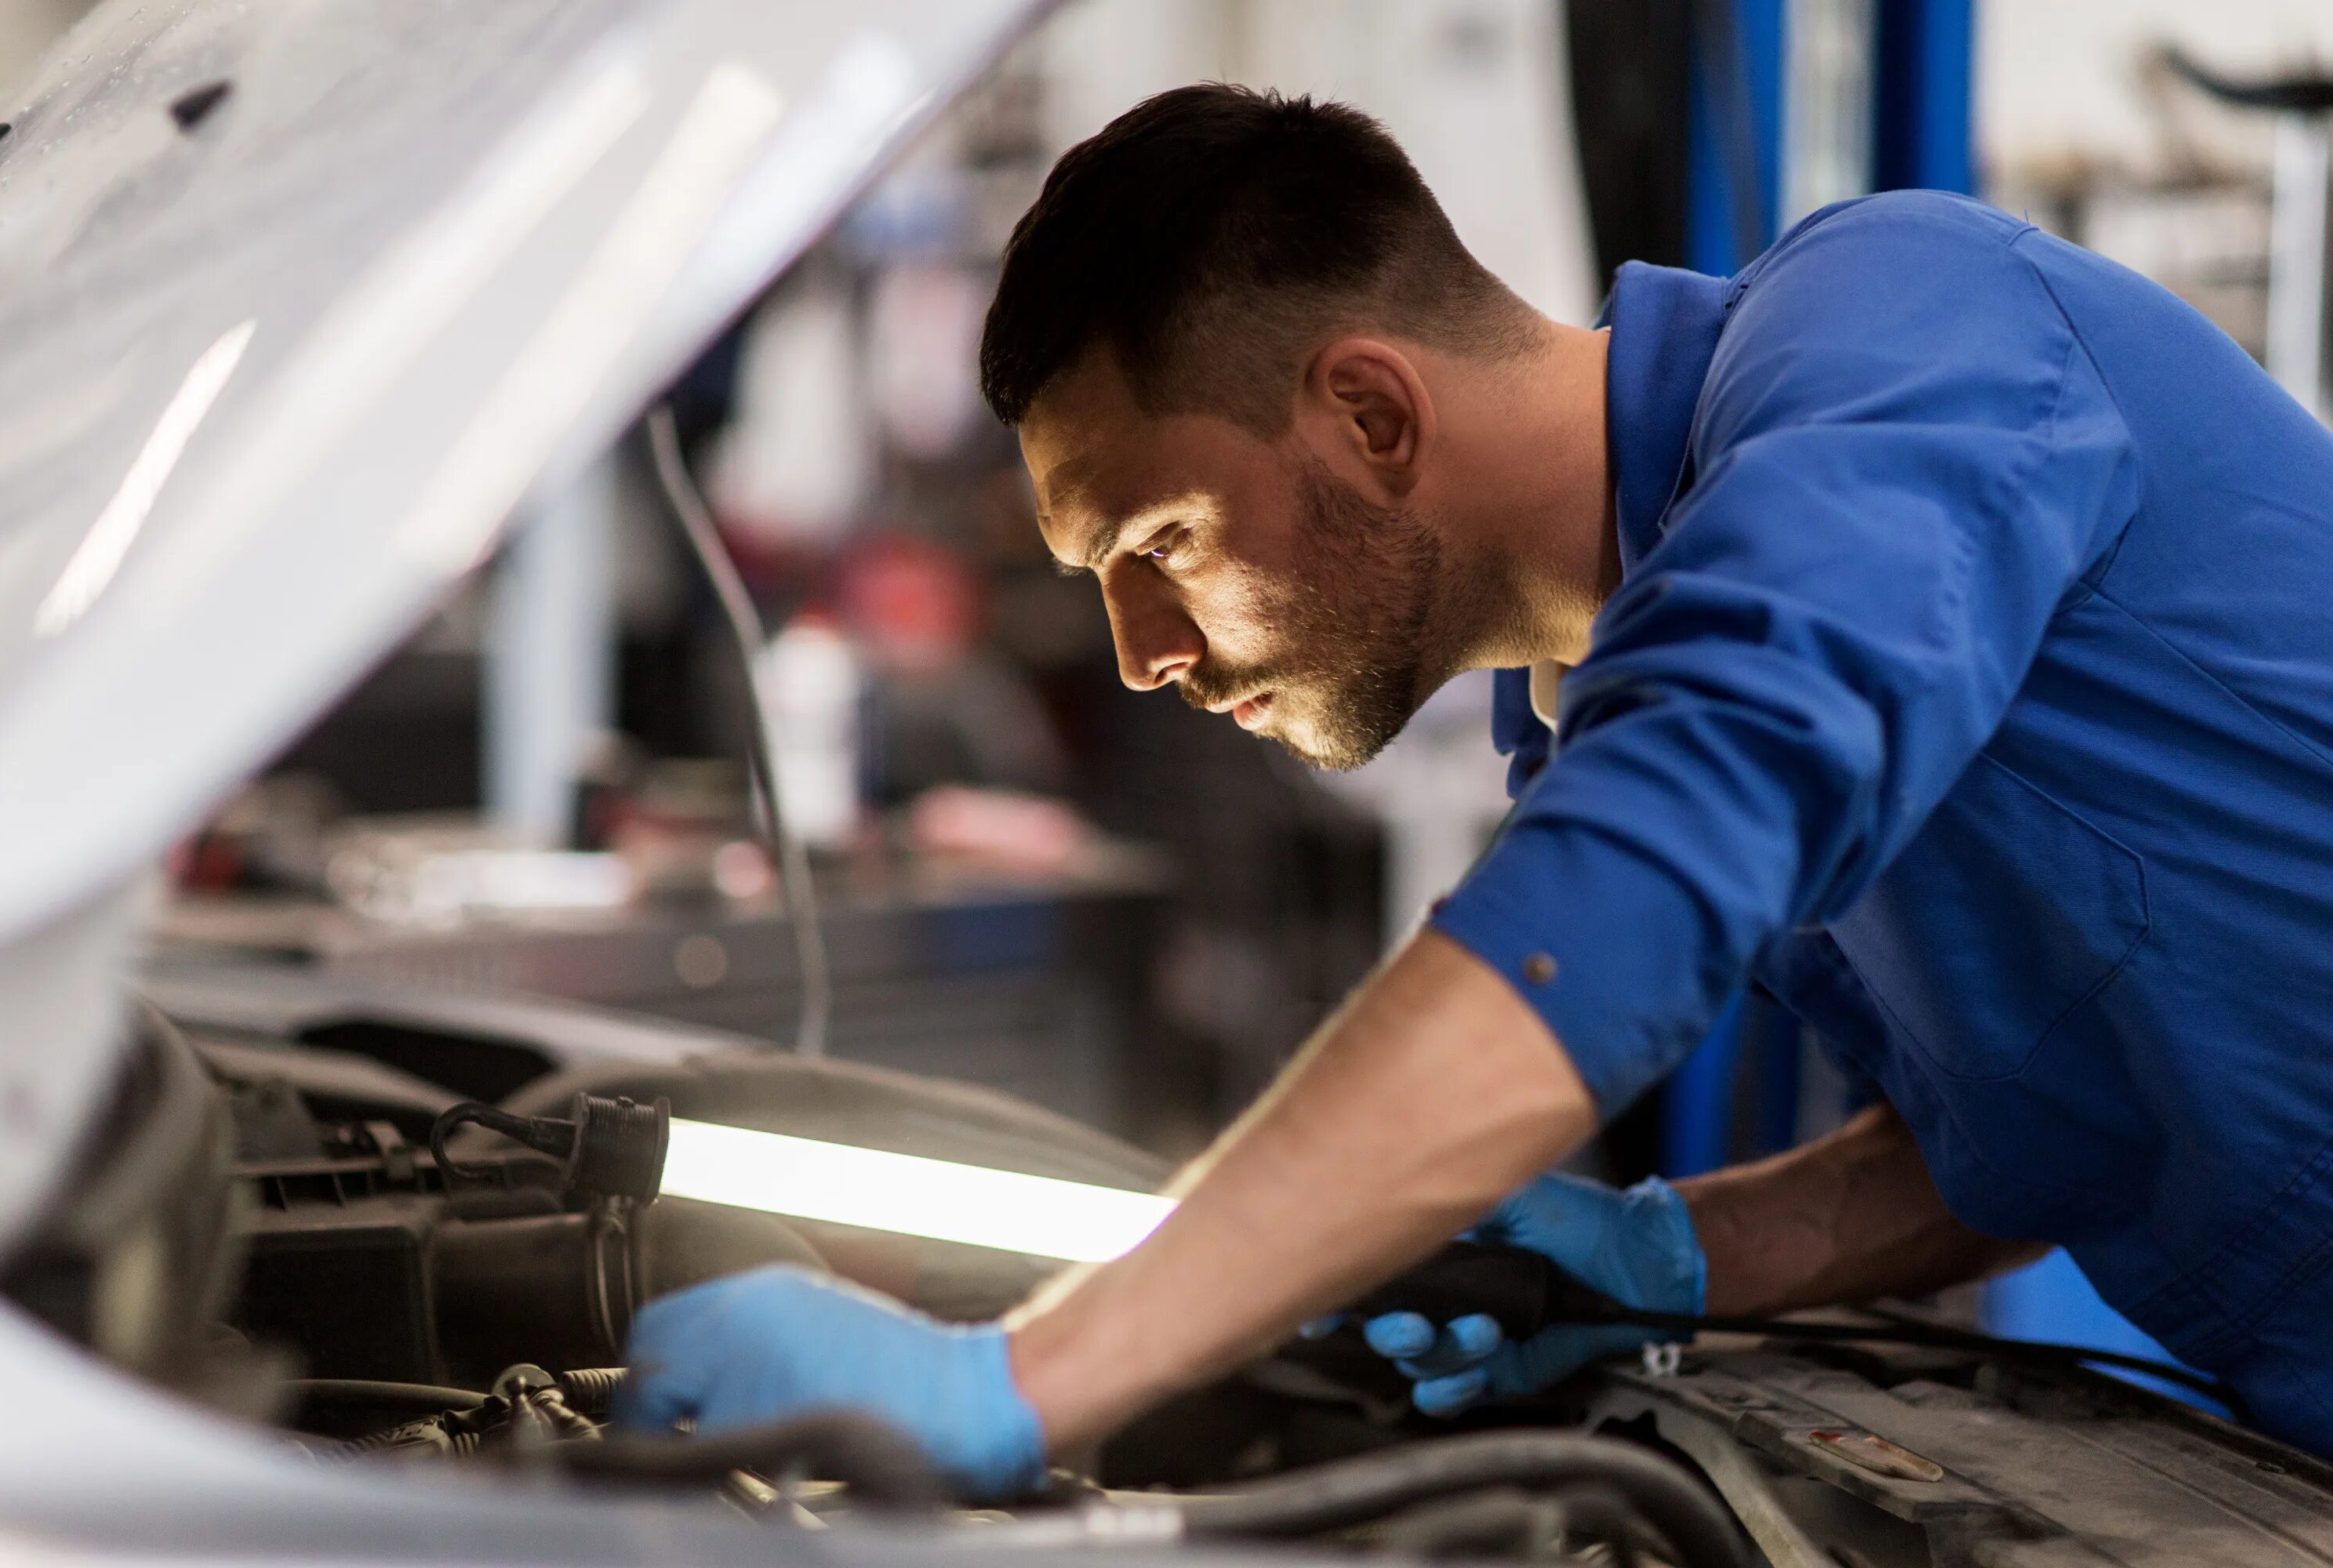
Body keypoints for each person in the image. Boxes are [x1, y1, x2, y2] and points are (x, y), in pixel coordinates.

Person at [618, 85, 2333, 1484]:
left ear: (1370, 414)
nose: (1140, 651)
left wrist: (1031, 1373)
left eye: (1162, 542)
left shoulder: (1907, 330)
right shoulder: (1597, 702)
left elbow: (1653, 860)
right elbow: (2044, 1123)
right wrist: (1671, 1255)